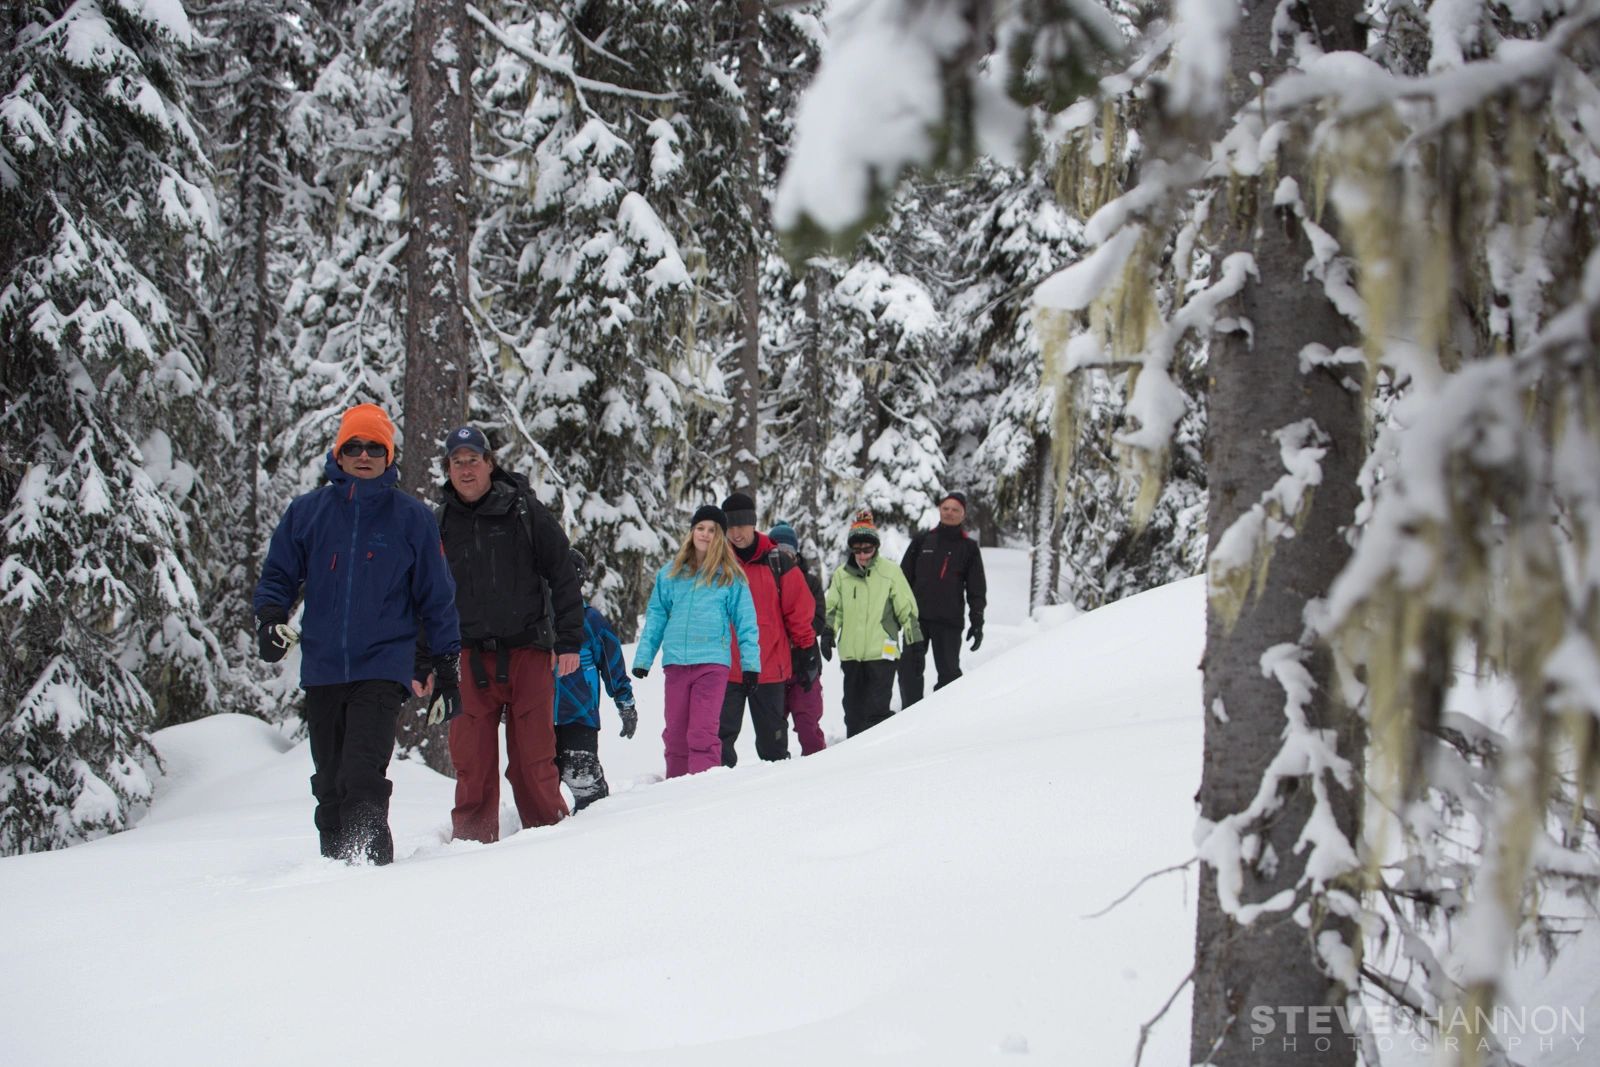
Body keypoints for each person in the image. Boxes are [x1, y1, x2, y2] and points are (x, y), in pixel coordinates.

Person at [254, 403, 461, 866]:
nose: (364, 455)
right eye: (354, 446)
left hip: (383, 666)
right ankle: (334, 873)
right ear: (339, 454)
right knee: (329, 782)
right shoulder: (307, 513)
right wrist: (269, 618)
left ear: (388, 457)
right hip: (324, 666)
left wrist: (446, 667)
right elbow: (278, 576)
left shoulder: (411, 518)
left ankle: (369, 866)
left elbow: (437, 596)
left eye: (374, 447)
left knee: (362, 774)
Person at [424, 425, 586, 844]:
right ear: (448, 469)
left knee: (533, 759)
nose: (465, 469)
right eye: (456, 462)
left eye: (472, 460)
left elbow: (563, 573)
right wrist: (423, 659)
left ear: (489, 464)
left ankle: (549, 838)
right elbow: (423, 594)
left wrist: (569, 640)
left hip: (528, 651)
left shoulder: (525, 511)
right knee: (471, 762)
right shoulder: (438, 522)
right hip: (468, 656)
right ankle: (472, 846)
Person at [631, 505, 761, 777]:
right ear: (691, 532)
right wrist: (644, 657)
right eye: (700, 528)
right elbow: (656, 615)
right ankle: (675, 791)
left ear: (721, 537)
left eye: (712, 530)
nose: (705, 534)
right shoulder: (671, 573)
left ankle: (701, 795)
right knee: (676, 734)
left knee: (702, 733)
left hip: (712, 663)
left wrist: (751, 664)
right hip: (677, 663)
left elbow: (746, 622)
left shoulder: (730, 575)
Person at [716, 492, 819, 767]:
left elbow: (799, 611)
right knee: (718, 746)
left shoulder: (777, 561)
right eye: (730, 527)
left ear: (753, 523)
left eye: (741, 525)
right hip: (728, 669)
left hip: (769, 667)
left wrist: (807, 650)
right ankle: (716, 802)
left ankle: (777, 802)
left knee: (773, 747)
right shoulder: (718, 564)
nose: (735, 533)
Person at [553, 549, 638, 811]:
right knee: (538, 789)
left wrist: (625, 703)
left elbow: (613, 667)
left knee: (585, 785)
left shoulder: (591, 621)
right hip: (534, 720)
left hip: (579, 718)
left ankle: (595, 836)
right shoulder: (532, 621)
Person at [824, 509, 921, 737]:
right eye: (857, 550)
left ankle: (875, 758)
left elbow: (907, 610)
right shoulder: (841, 575)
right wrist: (828, 632)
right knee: (853, 711)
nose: (862, 555)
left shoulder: (890, 573)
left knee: (877, 710)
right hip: (852, 655)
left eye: (867, 549)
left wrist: (915, 643)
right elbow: (834, 610)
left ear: (876, 547)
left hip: (883, 653)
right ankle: (853, 757)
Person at [897, 490, 987, 708]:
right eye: (946, 508)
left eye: (955, 509)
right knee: (909, 670)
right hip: (916, 621)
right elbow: (902, 580)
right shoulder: (922, 541)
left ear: (963, 514)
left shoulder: (968, 548)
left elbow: (976, 588)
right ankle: (910, 715)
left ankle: (943, 716)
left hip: (949, 622)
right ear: (939, 510)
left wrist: (977, 621)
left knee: (949, 674)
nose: (949, 513)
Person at [767, 520, 828, 755]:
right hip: (774, 665)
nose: (784, 557)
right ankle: (778, 772)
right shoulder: (764, 581)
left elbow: (819, 621)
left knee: (807, 722)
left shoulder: (810, 582)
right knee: (773, 728)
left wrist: (797, 629)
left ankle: (817, 762)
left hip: (806, 664)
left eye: (788, 552)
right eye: (778, 551)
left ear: (796, 553)